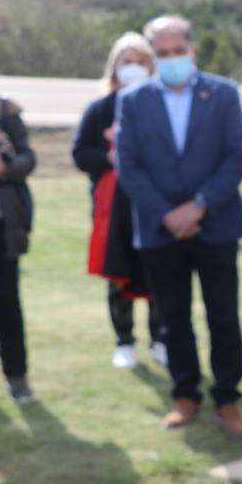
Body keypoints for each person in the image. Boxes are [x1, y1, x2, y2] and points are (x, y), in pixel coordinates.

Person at [116, 15, 242, 436]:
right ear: (153, 55)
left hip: (217, 225)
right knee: (173, 318)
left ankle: (227, 399)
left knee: (223, 316)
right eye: (163, 53)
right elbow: (130, 166)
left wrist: (199, 207)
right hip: (161, 229)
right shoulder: (134, 101)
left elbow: (235, 157)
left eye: (178, 51)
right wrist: (168, 214)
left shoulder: (223, 94)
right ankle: (185, 395)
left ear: (192, 51)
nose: (171, 59)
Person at [72, 32, 169, 371]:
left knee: (159, 269)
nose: (134, 68)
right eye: (126, 61)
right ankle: (124, 340)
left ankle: (160, 337)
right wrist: (114, 157)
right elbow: (81, 153)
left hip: (154, 202)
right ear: (114, 66)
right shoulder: (100, 109)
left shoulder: (161, 104)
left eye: (141, 61)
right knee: (118, 271)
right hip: (113, 205)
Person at [0, 35, 36, 404]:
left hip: (0, 222)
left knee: (5, 302)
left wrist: (4, 166)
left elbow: (28, 158)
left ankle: (16, 377)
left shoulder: (6, 112)